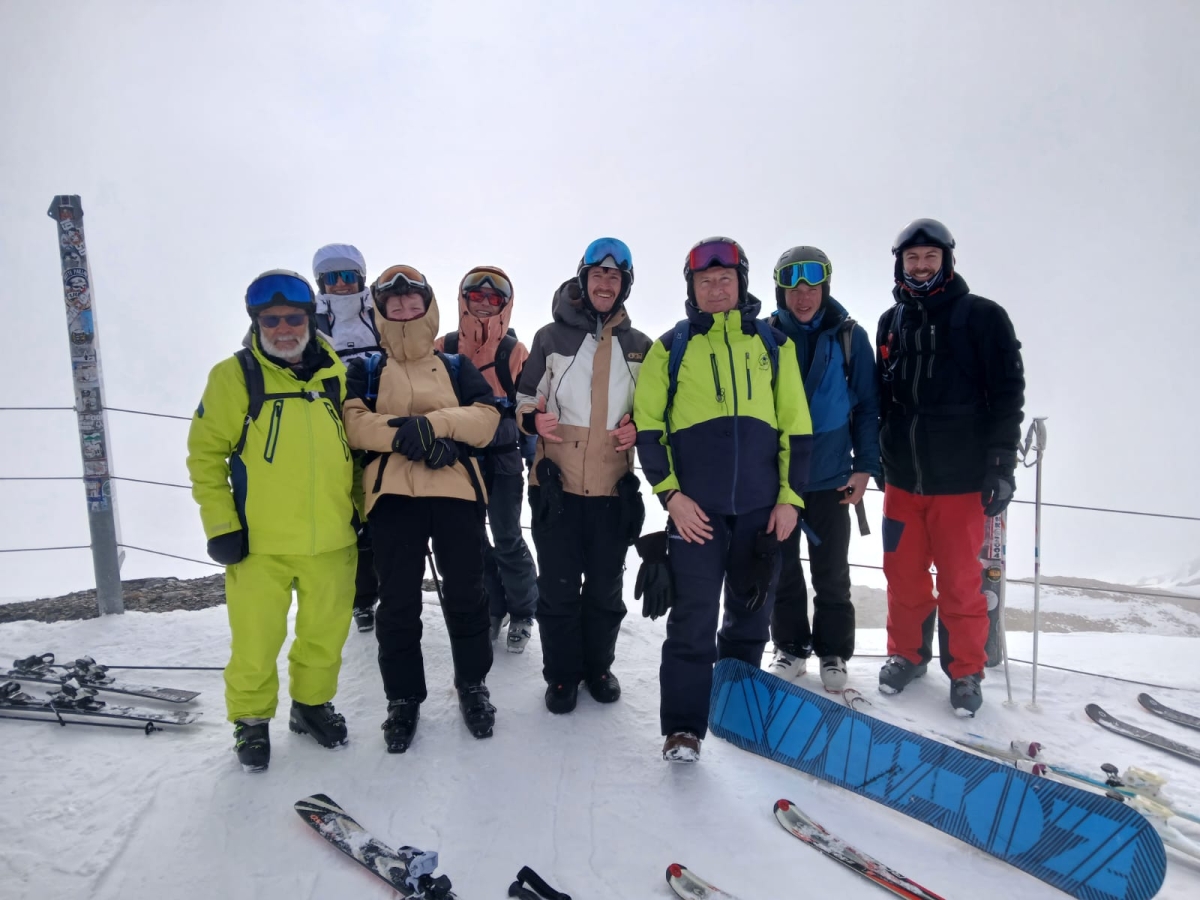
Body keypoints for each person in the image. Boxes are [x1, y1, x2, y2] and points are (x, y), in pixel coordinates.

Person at [633, 237, 813, 762]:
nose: (715, 289)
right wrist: (670, 496)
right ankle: (683, 729)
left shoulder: (774, 345)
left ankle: (738, 712)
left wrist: (790, 499)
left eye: (725, 279)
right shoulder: (671, 348)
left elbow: (796, 428)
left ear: (741, 284)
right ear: (692, 288)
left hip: (761, 512)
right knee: (692, 621)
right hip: (696, 514)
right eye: (705, 281)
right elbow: (649, 429)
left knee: (750, 618)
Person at [187, 269, 357, 772]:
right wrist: (221, 526)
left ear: (311, 320)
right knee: (256, 642)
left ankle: (311, 707)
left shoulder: (334, 374)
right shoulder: (234, 375)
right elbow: (205, 455)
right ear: (256, 323)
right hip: (260, 544)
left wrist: (360, 512)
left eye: (293, 319)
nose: (283, 329)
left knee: (324, 636)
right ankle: (251, 720)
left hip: (333, 540)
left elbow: (352, 453)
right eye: (271, 320)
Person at [342, 264, 501, 752]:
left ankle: (472, 684)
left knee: (467, 593)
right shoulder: (367, 369)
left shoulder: (455, 366)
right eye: (396, 306)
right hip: (392, 496)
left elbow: (487, 419)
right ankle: (403, 698)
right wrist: (406, 436)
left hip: (455, 491)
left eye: (414, 304)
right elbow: (353, 423)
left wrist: (435, 427)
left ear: (428, 308)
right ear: (382, 312)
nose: (406, 312)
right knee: (398, 603)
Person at [875, 218, 1025, 716]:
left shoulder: (983, 317)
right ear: (900, 263)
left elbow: (1007, 396)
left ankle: (965, 672)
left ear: (947, 261)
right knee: (903, 576)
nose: (921, 266)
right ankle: (906, 655)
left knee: (961, 581)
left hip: (960, 483)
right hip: (902, 480)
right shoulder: (891, 322)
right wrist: (877, 455)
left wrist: (1001, 464)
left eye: (930, 257)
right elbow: (882, 397)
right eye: (912, 258)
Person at [514, 238, 651, 715]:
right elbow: (524, 397)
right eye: (597, 275)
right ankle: (561, 676)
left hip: (612, 489)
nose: (605, 283)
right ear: (584, 281)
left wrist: (639, 427)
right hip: (557, 486)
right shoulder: (550, 338)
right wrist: (533, 419)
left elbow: (652, 410)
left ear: (624, 286)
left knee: (605, 589)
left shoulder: (641, 347)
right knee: (557, 588)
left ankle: (598, 669)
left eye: (614, 276)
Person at [764, 246, 880, 691]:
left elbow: (868, 406)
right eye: (793, 288)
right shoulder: (766, 335)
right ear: (781, 292)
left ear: (825, 289)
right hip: (779, 478)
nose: (803, 296)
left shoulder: (850, 337)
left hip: (833, 477)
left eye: (812, 287)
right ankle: (791, 648)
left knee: (831, 572)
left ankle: (833, 652)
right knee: (782, 569)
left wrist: (864, 467)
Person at [435, 267, 539, 653]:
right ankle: (494, 607)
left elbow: (528, 410)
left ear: (504, 306)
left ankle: (523, 611)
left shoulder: (514, 352)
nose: (483, 304)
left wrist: (535, 462)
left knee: (507, 537)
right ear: (463, 300)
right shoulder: (443, 346)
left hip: (503, 461)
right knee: (472, 540)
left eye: (493, 299)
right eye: (475, 296)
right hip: (457, 462)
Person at [312, 243, 384, 633]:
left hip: (380, 426)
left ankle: (390, 589)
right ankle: (362, 599)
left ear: (361, 277)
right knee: (349, 518)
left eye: (348, 276)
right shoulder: (312, 321)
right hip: (333, 433)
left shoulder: (379, 313)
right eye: (331, 277)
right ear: (320, 282)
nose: (340, 284)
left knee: (382, 513)